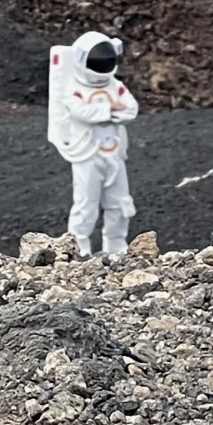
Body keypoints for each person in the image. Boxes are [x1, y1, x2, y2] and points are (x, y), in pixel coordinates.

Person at [47, 31, 139, 257]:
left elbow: (131, 109)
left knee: (120, 203)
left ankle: (117, 246)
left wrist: (113, 114)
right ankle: (80, 248)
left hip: (114, 153)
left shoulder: (114, 85)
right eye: (98, 60)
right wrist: (110, 110)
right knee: (86, 204)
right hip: (86, 154)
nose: (102, 64)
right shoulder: (74, 87)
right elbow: (80, 111)